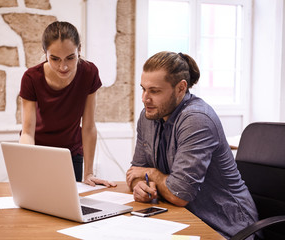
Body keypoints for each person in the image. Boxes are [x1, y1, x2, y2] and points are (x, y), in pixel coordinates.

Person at [126, 51, 258, 239]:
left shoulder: (196, 119)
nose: (145, 98)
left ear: (181, 88)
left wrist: (152, 174)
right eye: (143, 89)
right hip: (181, 218)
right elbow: (135, 172)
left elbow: (179, 194)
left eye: (154, 91)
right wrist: (141, 186)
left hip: (226, 227)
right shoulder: (149, 115)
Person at [19, 21, 115, 187]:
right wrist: (29, 166)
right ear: (45, 53)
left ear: (79, 50)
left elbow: (88, 126)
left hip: (71, 153)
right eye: (54, 59)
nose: (63, 66)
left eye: (70, 58)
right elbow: (27, 132)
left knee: (71, 207)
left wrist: (89, 173)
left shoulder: (89, 73)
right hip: (38, 152)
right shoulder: (31, 78)